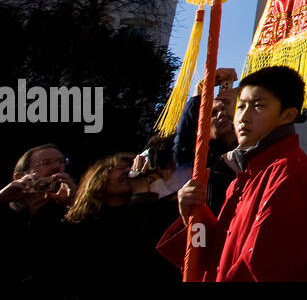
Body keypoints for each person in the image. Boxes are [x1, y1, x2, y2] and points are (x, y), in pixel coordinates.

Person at [157, 65, 307, 282]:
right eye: (241, 106)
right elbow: (219, 250)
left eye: (258, 106)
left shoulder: (289, 172)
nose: (243, 117)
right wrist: (194, 217)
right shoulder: (247, 173)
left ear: (287, 115)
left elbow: (263, 267)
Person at [62, 153, 177, 283]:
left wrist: (142, 194)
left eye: (130, 167)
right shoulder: (85, 222)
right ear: (98, 178)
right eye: (120, 168)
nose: (129, 171)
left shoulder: (157, 208)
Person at [0, 144, 75, 283]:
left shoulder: (67, 209)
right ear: (19, 176)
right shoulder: (6, 206)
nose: (56, 167)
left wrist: (73, 204)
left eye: (61, 162)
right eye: (46, 163)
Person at [174, 68, 239, 213]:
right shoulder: (198, 159)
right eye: (213, 113)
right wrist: (202, 86)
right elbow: (184, 138)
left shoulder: (249, 156)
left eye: (226, 107)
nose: (221, 114)